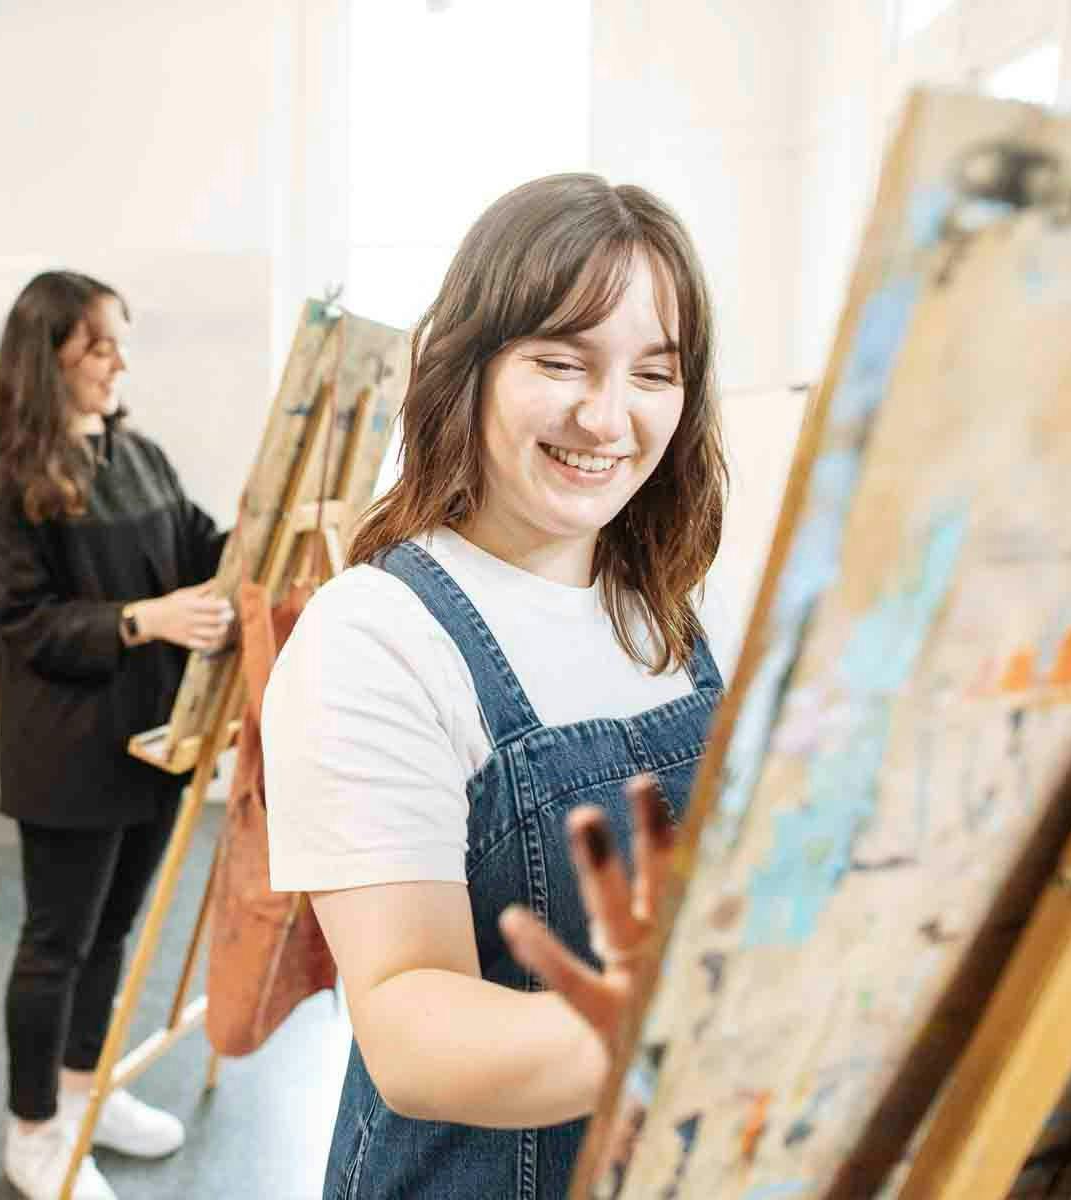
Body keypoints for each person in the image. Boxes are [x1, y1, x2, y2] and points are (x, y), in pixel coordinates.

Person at [262, 174, 734, 1199]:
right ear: (467, 368)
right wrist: (669, 1029)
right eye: (561, 362)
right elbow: (408, 1028)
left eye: (654, 374)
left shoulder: (672, 612)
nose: (606, 417)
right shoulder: (376, 636)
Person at [0, 271, 233, 1200]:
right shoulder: (3, 484)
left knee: (113, 931)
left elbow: (204, 547)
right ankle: (33, 1131)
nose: (121, 360)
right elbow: (29, 626)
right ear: (50, 359)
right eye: (101, 345)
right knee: (55, 944)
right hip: (69, 751)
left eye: (121, 340)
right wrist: (144, 622)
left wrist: (286, 517)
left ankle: (84, 1093)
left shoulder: (139, 454)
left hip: (154, 739)